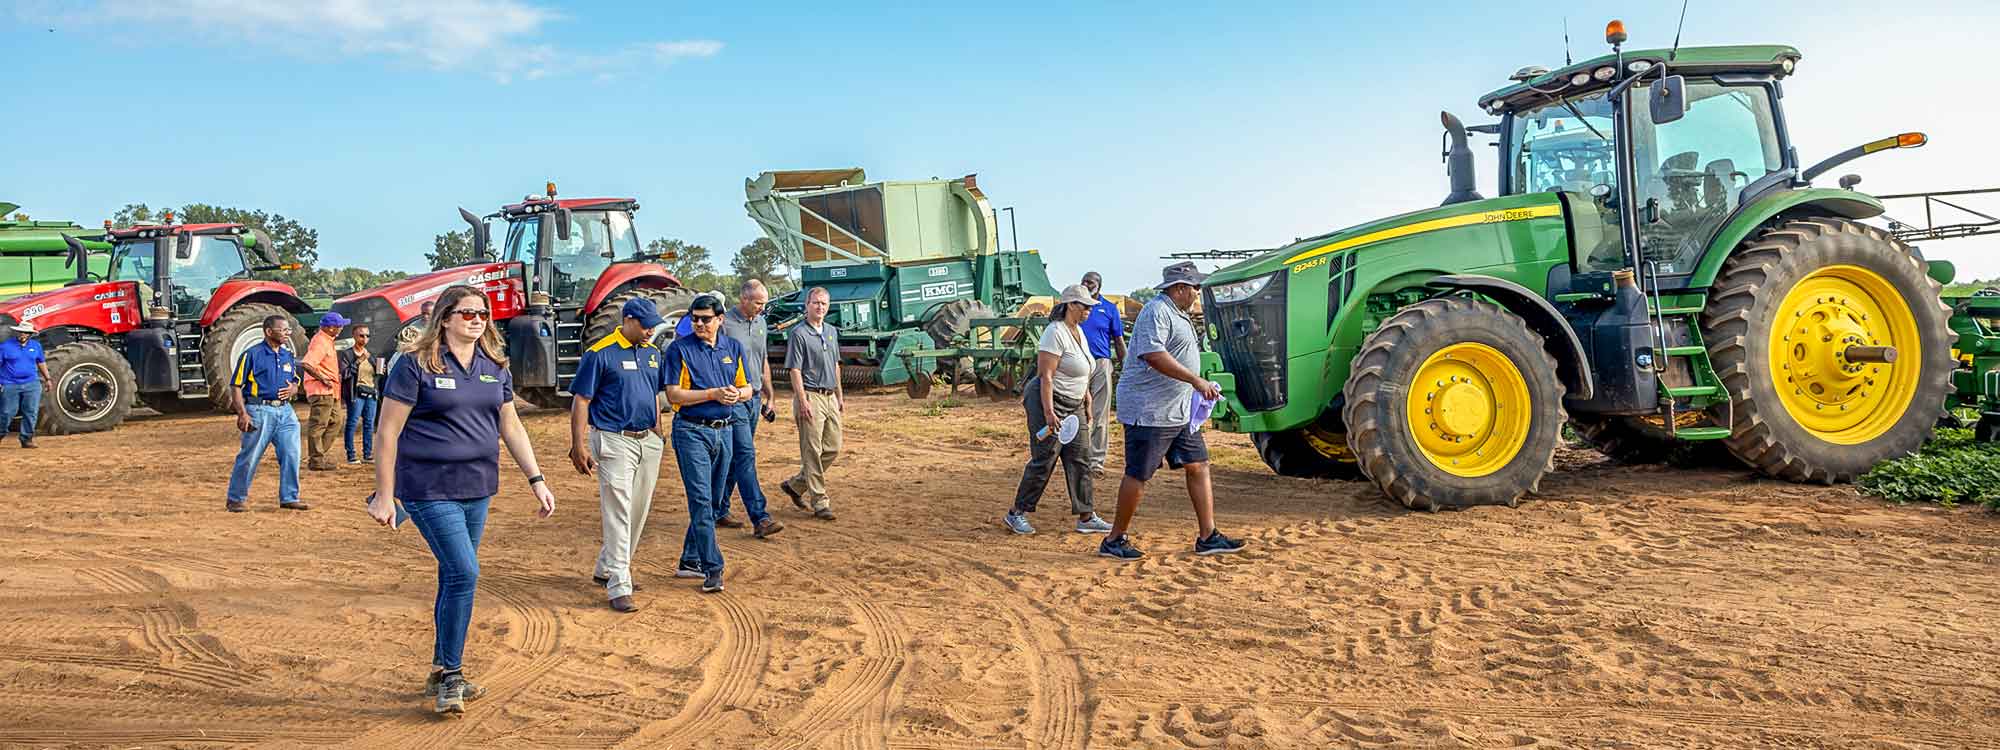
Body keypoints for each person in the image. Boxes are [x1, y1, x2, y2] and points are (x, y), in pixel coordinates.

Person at [366, 285, 556, 715]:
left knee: (454, 577)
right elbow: (387, 432)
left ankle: (439, 667)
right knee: (464, 572)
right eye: (467, 313)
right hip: (428, 488)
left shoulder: (494, 367)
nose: (476, 319)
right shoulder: (416, 366)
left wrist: (536, 479)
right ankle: (452, 675)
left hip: (477, 487)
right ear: (445, 318)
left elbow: (511, 427)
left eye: (482, 313)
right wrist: (384, 494)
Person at [1099, 262, 1246, 561]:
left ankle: (1208, 535)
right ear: (1179, 288)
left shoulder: (1179, 314)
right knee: (1139, 474)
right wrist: (1195, 379)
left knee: (1198, 464)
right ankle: (1114, 539)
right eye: (1194, 287)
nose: (1197, 293)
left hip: (1177, 410)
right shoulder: (1158, 311)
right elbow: (1153, 354)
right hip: (1150, 409)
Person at [569, 296, 670, 613]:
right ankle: (619, 584)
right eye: (645, 325)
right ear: (627, 320)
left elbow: (653, 394)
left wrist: (658, 431)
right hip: (613, 439)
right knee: (619, 510)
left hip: (647, 441)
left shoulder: (653, 354)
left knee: (638, 510)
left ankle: (607, 567)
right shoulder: (599, 354)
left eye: (654, 325)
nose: (650, 331)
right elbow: (581, 401)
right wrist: (579, 444)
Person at [1004, 285, 1113, 535]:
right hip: (1049, 400)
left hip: (1074, 403)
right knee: (1045, 458)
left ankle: (1086, 516)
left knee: (1080, 458)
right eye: (1085, 306)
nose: (1089, 310)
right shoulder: (1054, 333)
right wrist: (1050, 413)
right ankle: (1016, 513)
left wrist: (1085, 398)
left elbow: (1083, 368)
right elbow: (1046, 377)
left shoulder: (1078, 332)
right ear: (1071, 305)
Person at [664, 295, 750, 593]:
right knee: (700, 501)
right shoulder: (679, 350)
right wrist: (713, 394)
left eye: (705, 319)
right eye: (695, 318)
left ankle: (689, 560)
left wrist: (735, 395)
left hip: (724, 430)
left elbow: (748, 387)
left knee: (713, 503)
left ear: (720, 320)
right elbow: (674, 395)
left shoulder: (733, 348)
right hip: (691, 431)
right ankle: (713, 568)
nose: (698, 324)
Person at [716, 279, 783, 538]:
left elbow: (762, 359)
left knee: (735, 457)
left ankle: (719, 509)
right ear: (743, 299)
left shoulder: (761, 322)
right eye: (758, 303)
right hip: (734, 401)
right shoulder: (725, 324)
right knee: (745, 455)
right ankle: (760, 517)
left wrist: (770, 396)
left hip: (754, 398)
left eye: (764, 303)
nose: (762, 308)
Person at [224, 315, 307, 513]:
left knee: (292, 454)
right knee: (250, 456)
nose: (288, 333)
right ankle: (236, 499)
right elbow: (236, 386)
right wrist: (242, 413)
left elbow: (295, 380)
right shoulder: (251, 354)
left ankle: (289, 497)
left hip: (286, 411)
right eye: (283, 330)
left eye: (288, 330)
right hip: (259, 410)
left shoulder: (287, 354)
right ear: (269, 332)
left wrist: (294, 389)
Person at [781, 287, 842, 521]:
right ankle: (820, 501)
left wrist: (839, 396)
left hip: (829, 397)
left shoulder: (831, 331)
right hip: (810, 395)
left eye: (824, 304)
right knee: (812, 450)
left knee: (833, 447)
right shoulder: (799, 334)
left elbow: (836, 365)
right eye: (816, 303)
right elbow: (794, 369)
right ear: (806, 305)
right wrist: (802, 399)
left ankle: (796, 485)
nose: (820, 307)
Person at [1079, 271, 1127, 476]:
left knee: (1099, 414)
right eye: (1083, 281)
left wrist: (1127, 366)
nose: (1086, 284)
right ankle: (1076, 458)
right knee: (1074, 412)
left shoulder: (1109, 309)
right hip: (1077, 364)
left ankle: (1096, 462)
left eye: (1090, 282)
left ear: (1099, 285)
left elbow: (1118, 340)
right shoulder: (1075, 307)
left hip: (1100, 364)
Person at [301, 312, 348, 471]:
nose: (341, 328)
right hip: (321, 390)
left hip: (330, 390)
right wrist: (322, 378)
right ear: (329, 328)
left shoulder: (326, 340)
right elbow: (307, 363)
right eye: (339, 326)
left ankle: (318, 455)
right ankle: (316, 460)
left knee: (336, 421)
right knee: (319, 424)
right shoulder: (321, 342)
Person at [0, 322, 51, 448]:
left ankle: (26, 439)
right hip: (10, 384)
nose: (23, 334)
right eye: (21, 332)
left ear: (30, 334)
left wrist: (47, 378)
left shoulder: (36, 346)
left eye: (26, 332)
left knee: (31, 412)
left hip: (32, 383)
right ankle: (0, 435)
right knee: (7, 412)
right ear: (17, 332)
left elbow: (41, 362)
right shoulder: (5, 347)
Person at [340, 325, 386, 464]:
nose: (365, 338)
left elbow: (376, 376)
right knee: (352, 423)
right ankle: (351, 455)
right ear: (354, 336)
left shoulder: (371, 354)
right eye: (361, 335)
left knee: (369, 424)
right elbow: (345, 374)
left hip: (371, 393)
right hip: (356, 393)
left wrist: (380, 371)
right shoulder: (347, 354)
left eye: (367, 335)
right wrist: (358, 361)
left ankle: (367, 454)